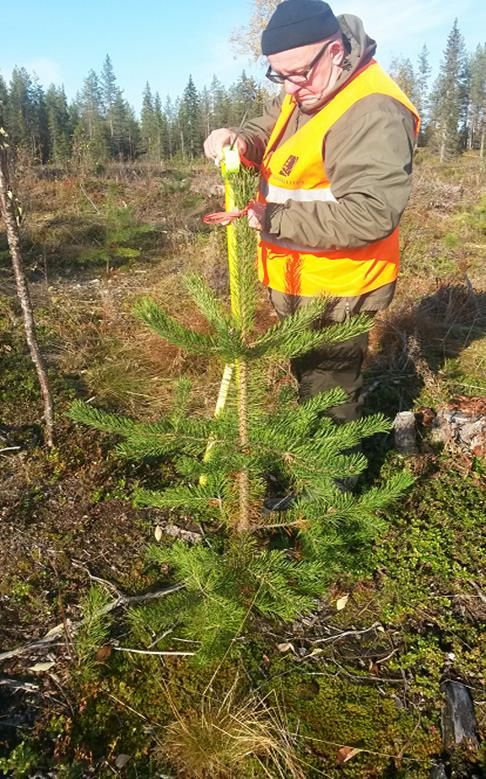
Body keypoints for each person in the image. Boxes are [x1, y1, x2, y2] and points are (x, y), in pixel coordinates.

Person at [204, 0, 420, 422]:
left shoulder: (372, 111)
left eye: (296, 74)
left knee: (329, 392)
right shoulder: (308, 85)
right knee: (311, 378)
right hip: (298, 270)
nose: (288, 88)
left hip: (339, 286)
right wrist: (241, 141)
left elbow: (371, 214)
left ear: (335, 51)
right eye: (277, 75)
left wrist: (272, 218)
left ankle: (332, 484)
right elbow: (270, 125)